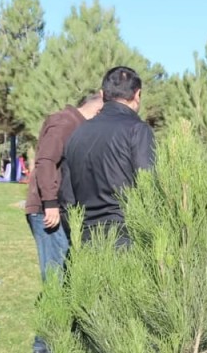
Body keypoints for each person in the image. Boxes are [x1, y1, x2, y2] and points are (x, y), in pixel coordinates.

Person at [24, 91, 104, 353]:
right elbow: (45, 161)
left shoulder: (77, 124)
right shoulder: (65, 121)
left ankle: (63, 338)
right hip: (49, 212)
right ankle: (43, 346)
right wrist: (50, 202)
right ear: (98, 104)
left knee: (66, 274)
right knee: (55, 278)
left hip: (64, 211)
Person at [63, 66, 155, 244]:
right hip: (126, 238)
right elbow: (149, 185)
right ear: (137, 94)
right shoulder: (137, 130)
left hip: (84, 239)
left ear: (102, 94)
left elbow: (66, 198)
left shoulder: (77, 134)